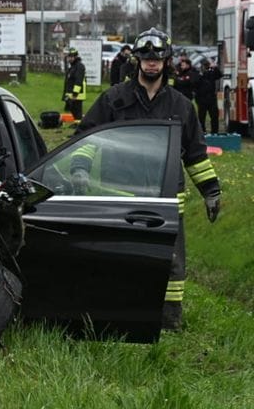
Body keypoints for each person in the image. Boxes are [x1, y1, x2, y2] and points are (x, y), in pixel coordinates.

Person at [72, 27, 221, 331]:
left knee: (171, 265)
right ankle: (115, 318)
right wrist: (79, 169)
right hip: (119, 197)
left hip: (166, 200)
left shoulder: (180, 105)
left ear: (167, 61)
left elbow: (194, 154)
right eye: (146, 58)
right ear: (138, 60)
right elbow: (86, 137)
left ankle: (168, 323)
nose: (151, 63)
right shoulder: (114, 99)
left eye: (158, 58)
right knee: (119, 259)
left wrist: (211, 190)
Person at [195, 58, 223, 134]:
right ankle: (202, 131)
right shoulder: (198, 74)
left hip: (211, 98)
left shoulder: (212, 73)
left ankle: (214, 132)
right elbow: (195, 83)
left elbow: (219, 75)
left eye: (206, 65)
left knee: (214, 116)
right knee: (201, 117)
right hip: (201, 98)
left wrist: (214, 67)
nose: (205, 67)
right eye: (204, 65)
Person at [62, 47, 86, 121]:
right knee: (73, 109)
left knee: (77, 110)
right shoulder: (72, 67)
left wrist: (75, 94)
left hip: (78, 93)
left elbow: (78, 81)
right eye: (69, 57)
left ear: (76, 57)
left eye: (72, 57)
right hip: (71, 93)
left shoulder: (79, 66)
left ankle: (78, 123)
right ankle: (76, 122)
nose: (70, 59)